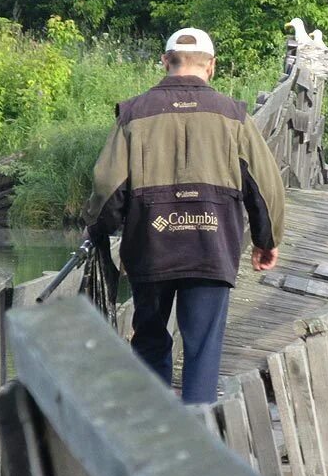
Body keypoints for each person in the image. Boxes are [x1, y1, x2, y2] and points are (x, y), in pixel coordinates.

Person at [83, 28, 285, 403]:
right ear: (211, 67)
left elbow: (108, 186)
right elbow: (266, 185)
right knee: (203, 348)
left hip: (151, 245)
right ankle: (200, 431)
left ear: (164, 61)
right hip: (211, 245)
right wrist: (265, 240)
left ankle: (155, 432)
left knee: (149, 340)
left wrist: (97, 231)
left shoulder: (134, 112)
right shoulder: (233, 115)